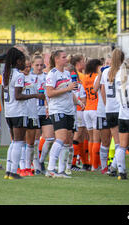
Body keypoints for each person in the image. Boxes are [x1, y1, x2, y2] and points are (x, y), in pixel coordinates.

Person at [2, 47, 41, 180]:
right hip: (19, 112)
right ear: (17, 61)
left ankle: (8, 171)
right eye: (23, 61)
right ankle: (13, 172)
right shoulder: (19, 75)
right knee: (18, 142)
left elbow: (4, 95)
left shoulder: (6, 74)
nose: (24, 64)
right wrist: (35, 95)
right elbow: (18, 96)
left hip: (9, 112)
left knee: (14, 143)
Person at [45, 50, 84, 178]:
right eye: (63, 57)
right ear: (56, 59)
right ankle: (50, 169)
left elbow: (70, 92)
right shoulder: (52, 74)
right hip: (58, 109)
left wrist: (78, 101)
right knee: (60, 138)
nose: (66, 59)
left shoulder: (67, 73)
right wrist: (67, 88)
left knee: (67, 141)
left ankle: (61, 170)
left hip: (69, 110)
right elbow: (50, 93)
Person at [100, 49, 124, 176]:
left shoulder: (105, 72)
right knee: (122, 142)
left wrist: (106, 104)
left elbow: (102, 91)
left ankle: (114, 167)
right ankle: (118, 168)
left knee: (118, 141)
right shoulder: (123, 71)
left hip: (109, 110)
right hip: (121, 109)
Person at [20, 57, 43, 177]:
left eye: (29, 66)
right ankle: (21, 166)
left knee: (31, 142)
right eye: (25, 66)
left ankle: (29, 167)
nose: (27, 68)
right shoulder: (18, 78)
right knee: (20, 141)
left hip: (33, 112)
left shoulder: (34, 78)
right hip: (22, 113)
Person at [68, 54, 89, 171]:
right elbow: (83, 97)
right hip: (80, 110)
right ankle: (73, 162)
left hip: (74, 110)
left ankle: (83, 162)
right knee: (77, 136)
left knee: (77, 137)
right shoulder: (79, 79)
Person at [93, 58, 112, 174]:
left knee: (119, 140)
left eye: (110, 64)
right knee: (105, 140)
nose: (108, 66)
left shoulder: (117, 75)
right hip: (103, 111)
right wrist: (100, 74)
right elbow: (94, 89)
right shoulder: (99, 76)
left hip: (116, 111)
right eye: (106, 64)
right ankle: (104, 166)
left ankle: (115, 164)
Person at [82, 58, 102, 171]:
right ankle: (95, 165)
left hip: (87, 109)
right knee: (96, 139)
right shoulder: (97, 77)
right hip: (95, 109)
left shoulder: (85, 77)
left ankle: (91, 163)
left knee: (90, 139)